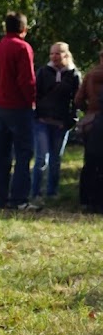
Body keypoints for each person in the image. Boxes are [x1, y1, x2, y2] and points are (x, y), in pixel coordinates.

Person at [0, 12, 36, 210]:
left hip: (0, 105)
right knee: (24, 153)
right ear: (24, 29)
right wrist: (32, 101)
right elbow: (27, 79)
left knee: (1, 153)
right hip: (18, 106)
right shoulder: (22, 47)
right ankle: (19, 199)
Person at [32, 42, 81, 203]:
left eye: (57, 53)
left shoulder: (73, 75)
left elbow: (77, 101)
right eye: (52, 54)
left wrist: (70, 121)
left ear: (66, 55)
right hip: (42, 121)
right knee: (41, 158)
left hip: (61, 123)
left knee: (55, 159)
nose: (54, 56)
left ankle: (52, 192)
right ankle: (36, 192)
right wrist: (36, 114)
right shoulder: (43, 72)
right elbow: (35, 94)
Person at [74, 49, 103, 212]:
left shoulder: (91, 75)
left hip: (92, 122)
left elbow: (78, 99)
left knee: (90, 162)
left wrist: (88, 111)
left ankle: (86, 200)